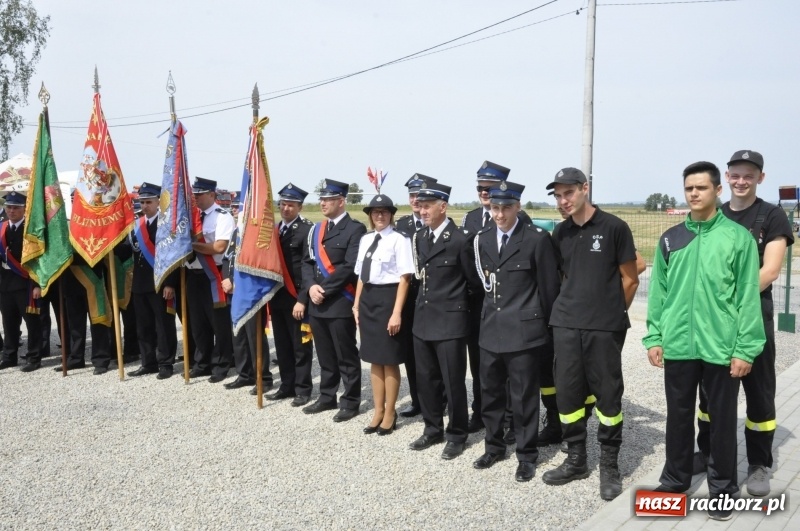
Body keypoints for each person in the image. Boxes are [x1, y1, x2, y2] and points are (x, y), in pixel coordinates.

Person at [644, 161, 765, 521]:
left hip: (721, 349)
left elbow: (747, 297)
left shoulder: (738, 239)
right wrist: (654, 336)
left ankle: (723, 490)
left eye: (701, 187)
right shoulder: (670, 239)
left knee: (722, 423)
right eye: (689, 188)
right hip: (679, 346)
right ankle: (674, 481)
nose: (694, 193)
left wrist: (745, 349)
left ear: (717, 190)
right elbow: (659, 293)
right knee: (678, 418)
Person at [692, 150, 794, 497]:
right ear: (726, 177)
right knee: (709, 393)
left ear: (760, 178)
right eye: (735, 175)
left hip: (753, 319)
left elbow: (770, 270)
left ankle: (758, 463)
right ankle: (706, 452)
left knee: (759, 393)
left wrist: (731, 301)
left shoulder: (772, 216)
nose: (741, 181)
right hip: (714, 323)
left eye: (749, 175)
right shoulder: (715, 214)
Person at [542, 167, 640, 501]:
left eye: (568, 193)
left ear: (585, 189)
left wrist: (611, 314)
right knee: (568, 395)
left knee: (608, 396)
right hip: (567, 325)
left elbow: (631, 278)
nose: (563, 201)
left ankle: (609, 466)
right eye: (558, 196)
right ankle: (576, 460)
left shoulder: (614, 227)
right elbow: (562, 276)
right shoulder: (561, 233)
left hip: (604, 328)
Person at [471, 181, 561, 481]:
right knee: (491, 395)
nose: (500, 214)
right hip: (490, 330)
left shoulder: (536, 239)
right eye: (495, 208)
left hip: (524, 333)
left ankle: (526, 455)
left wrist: (547, 333)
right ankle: (494, 447)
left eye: (506, 208)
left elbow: (548, 290)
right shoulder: (482, 239)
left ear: (518, 206)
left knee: (523, 398)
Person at [409, 182, 481, 460]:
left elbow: (473, 283)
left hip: (450, 322)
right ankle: (432, 428)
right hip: (423, 319)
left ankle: (457, 434)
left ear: (443, 206)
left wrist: (457, 310)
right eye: (420, 206)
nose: (422, 211)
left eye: (428, 206)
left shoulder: (461, 239)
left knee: (453, 382)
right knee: (426, 380)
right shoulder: (420, 237)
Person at [301, 179, 366, 422]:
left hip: (339, 301)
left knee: (345, 355)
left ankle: (350, 401)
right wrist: (311, 287)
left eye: (328, 199)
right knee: (325, 354)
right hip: (317, 302)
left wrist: (324, 290)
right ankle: (327, 396)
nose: (322, 203)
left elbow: (350, 266)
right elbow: (306, 262)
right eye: (321, 199)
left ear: (341, 201)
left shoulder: (355, 229)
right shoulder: (316, 230)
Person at [354, 194, 414, 436]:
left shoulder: (399, 240)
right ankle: (378, 410)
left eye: (384, 212)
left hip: (389, 299)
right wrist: (356, 305)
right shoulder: (366, 239)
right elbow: (361, 275)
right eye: (375, 212)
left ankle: (390, 412)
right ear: (370, 216)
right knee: (373, 359)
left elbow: (405, 278)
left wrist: (396, 313)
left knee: (389, 359)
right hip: (368, 300)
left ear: (391, 215)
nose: (380, 215)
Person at [265, 183, 314, 405]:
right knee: (282, 345)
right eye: (283, 204)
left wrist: (302, 300)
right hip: (277, 297)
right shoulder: (274, 230)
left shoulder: (307, 230)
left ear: (300, 207)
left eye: (291, 205)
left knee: (300, 346)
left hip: (296, 297)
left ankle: (303, 389)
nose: (286, 208)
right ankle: (287, 386)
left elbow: (308, 268)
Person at [393, 174, 437, 418]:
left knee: (435, 353)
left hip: (432, 298)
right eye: (412, 195)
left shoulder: (438, 223)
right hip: (410, 298)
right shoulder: (401, 226)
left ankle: (439, 398)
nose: (416, 200)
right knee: (411, 353)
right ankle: (417, 399)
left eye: (419, 195)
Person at [185, 177, 236, 383]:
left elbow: (219, 247)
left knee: (219, 323)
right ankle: (202, 363)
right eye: (194, 194)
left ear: (212, 195)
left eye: (199, 194)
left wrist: (190, 246)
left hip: (214, 275)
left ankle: (221, 364)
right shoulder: (191, 217)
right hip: (193, 275)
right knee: (198, 323)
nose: (195, 198)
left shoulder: (222, 216)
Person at [127, 183, 179, 380]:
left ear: (158, 202)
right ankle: (148, 362)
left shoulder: (166, 225)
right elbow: (129, 252)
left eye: (148, 202)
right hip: (140, 284)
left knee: (163, 325)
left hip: (160, 283)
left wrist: (170, 283)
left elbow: (172, 256)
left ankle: (165, 363)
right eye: (142, 202)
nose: (145, 206)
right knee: (143, 326)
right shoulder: (136, 226)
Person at [0, 191, 43, 372]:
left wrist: (37, 285)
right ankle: (9, 356)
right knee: (9, 322)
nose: (11, 211)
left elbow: (39, 260)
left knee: (32, 323)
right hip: (5, 283)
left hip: (25, 282)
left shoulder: (31, 230)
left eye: (16, 208)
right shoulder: (1, 228)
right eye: (9, 207)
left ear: (24, 209)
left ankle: (34, 357)